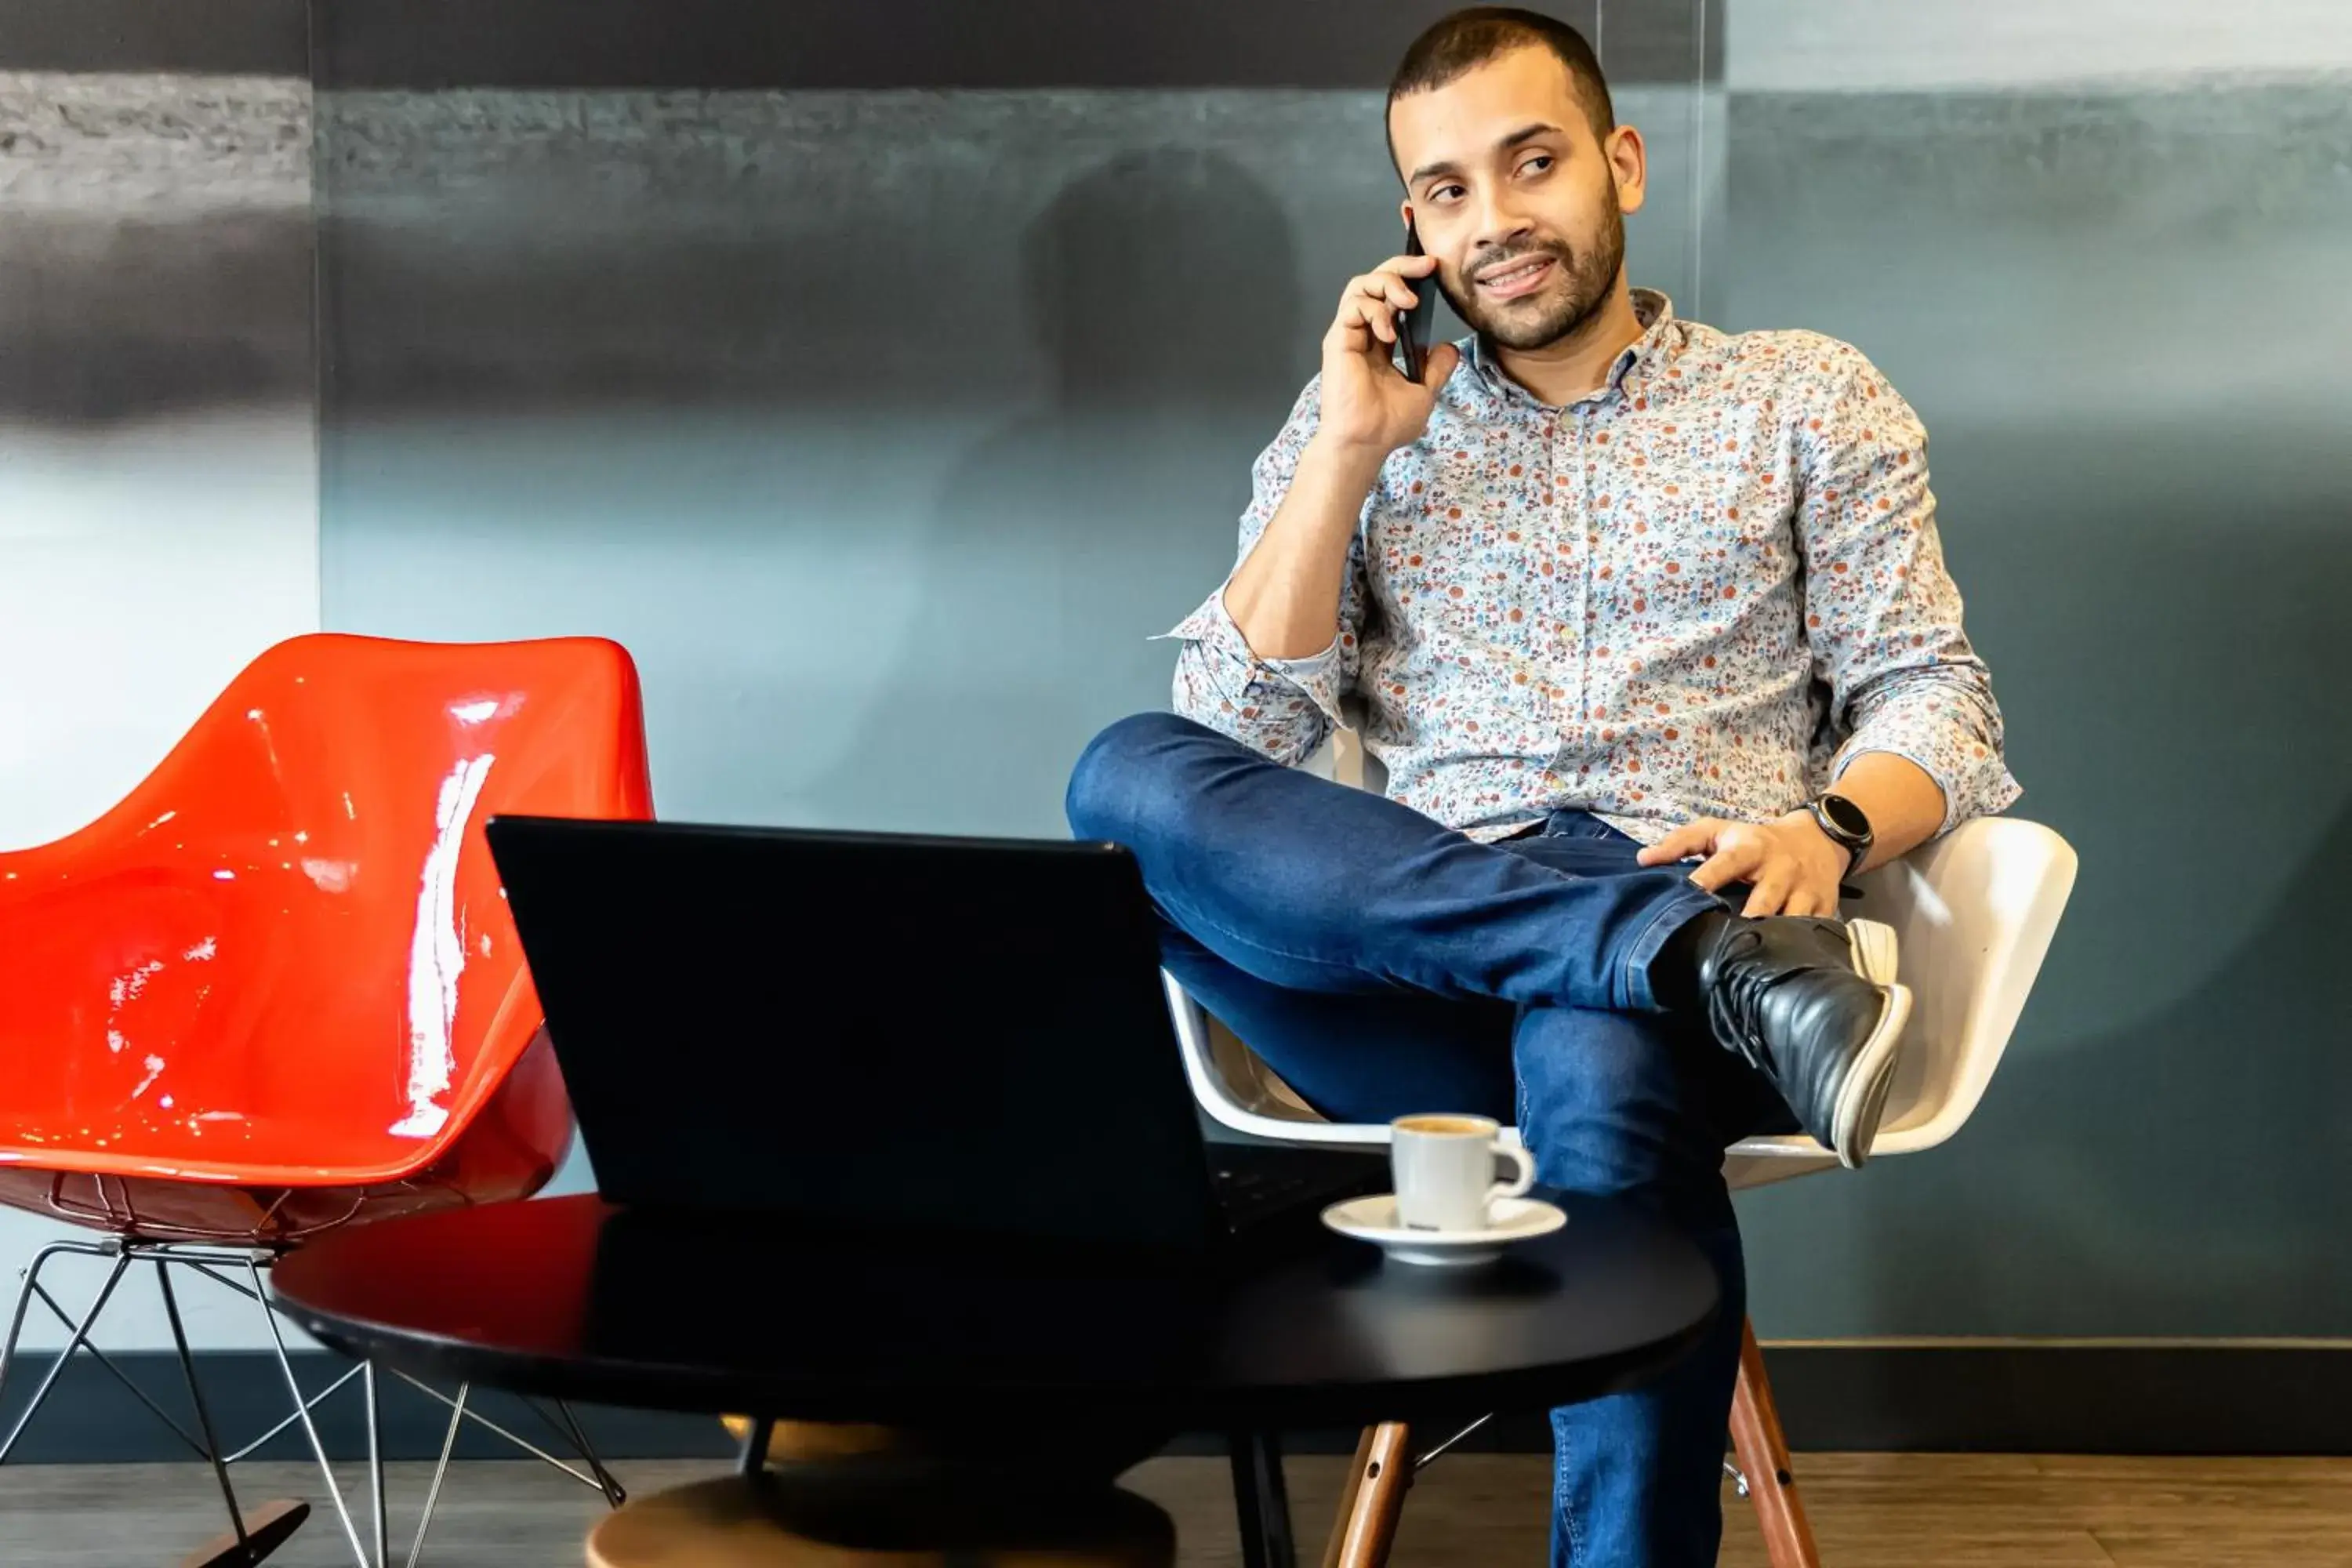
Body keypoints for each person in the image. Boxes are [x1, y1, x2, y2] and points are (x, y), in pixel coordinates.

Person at [1064, 8, 2019, 1564]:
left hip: (1704, 892)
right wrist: (1350, 451)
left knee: (1596, 1051)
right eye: (1445, 189)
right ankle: (1670, 956)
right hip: (1428, 979)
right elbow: (1235, 741)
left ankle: (1658, 954)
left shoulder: (1802, 398)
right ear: (1415, 230)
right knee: (1125, 778)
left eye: (1532, 162)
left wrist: (1829, 827)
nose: (1495, 217)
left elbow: (1935, 693)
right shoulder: (1356, 427)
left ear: (1617, 163)